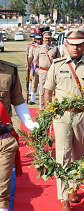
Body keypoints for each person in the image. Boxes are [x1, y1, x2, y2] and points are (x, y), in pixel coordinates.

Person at [43, 29, 84, 211]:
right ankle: (64, 198)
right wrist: (48, 116)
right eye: (72, 45)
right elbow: (48, 92)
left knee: (79, 155)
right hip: (62, 116)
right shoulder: (56, 65)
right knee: (63, 155)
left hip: (83, 116)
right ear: (66, 45)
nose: (76, 48)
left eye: (79, 45)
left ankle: (73, 187)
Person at [0, 60, 39, 211]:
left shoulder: (10, 71)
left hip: (3, 140)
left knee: (2, 192)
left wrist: (29, 123)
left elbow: (18, 101)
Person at [33, 31, 60, 110]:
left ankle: (52, 107)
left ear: (51, 38)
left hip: (52, 72)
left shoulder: (55, 48)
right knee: (42, 91)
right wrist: (42, 66)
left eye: (49, 38)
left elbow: (58, 60)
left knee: (53, 90)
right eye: (45, 38)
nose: (47, 40)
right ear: (43, 39)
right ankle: (42, 107)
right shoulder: (39, 48)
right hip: (43, 72)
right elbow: (35, 60)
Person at [28, 31, 43, 105]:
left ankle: (42, 99)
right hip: (36, 68)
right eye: (38, 39)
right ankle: (33, 99)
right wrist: (28, 64)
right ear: (35, 39)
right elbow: (30, 56)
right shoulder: (33, 47)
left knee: (43, 84)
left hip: (44, 68)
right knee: (34, 83)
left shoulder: (45, 46)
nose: (39, 41)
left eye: (40, 39)